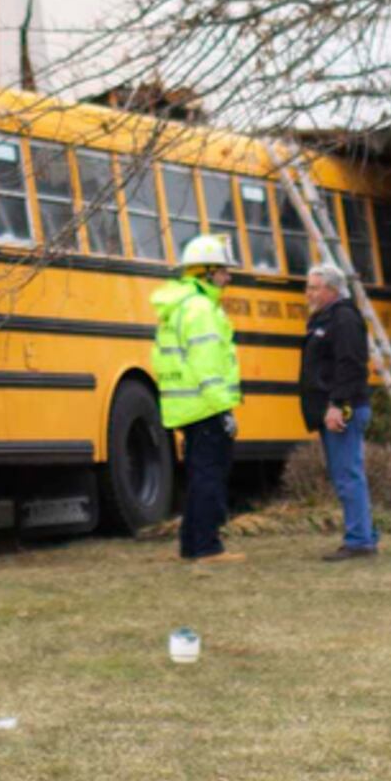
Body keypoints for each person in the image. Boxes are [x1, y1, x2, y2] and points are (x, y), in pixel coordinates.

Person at [151, 234, 244, 563]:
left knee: (198, 475)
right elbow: (207, 366)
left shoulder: (179, 307)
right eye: (222, 271)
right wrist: (224, 409)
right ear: (206, 273)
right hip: (206, 405)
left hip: (186, 407)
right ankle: (207, 546)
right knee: (210, 477)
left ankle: (192, 544)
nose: (227, 277)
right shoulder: (202, 309)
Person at [298, 264, 376, 560]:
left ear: (332, 289)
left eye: (314, 288)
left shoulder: (343, 319)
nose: (309, 293)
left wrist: (336, 406)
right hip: (334, 408)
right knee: (345, 474)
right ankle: (365, 534)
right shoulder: (325, 318)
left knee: (347, 475)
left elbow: (351, 365)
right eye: (308, 287)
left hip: (344, 409)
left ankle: (359, 541)